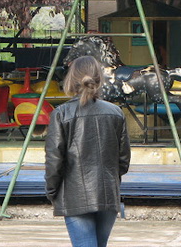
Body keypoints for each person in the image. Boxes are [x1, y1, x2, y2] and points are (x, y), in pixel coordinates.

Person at [45, 55, 131, 247]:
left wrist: (52, 192)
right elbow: (123, 161)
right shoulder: (116, 113)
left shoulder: (61, 114)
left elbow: (54, 161)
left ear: (71, 79)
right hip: (108, 194)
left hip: (75, 195)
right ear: (99, 79)